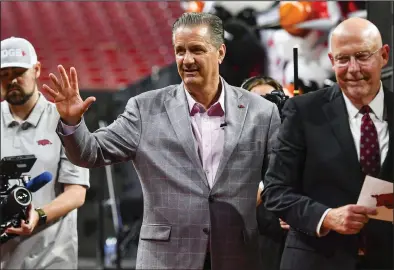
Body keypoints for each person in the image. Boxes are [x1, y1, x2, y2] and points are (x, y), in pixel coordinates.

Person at [43, 12, 280, 270]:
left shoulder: (261, 112)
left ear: (220, 52)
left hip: (238, 257)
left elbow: (281, 177)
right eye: (180, 51)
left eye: (197, 50)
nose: (187, 60)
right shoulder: (145, 109)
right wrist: (71, 123)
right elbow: (91, 153)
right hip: (166, 258)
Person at [262, 17, 393, 270]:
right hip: (317, 260)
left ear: (384, 56)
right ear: (332, 61)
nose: (353, 68)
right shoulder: (303, 111)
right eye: (343, 59)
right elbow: (275, 190)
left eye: (363, 56)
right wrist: (327, 217)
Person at [0, 37, 90, 269]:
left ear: (37, 69)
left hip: (51, 258)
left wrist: (38, 216)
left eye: (19, 72)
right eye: (4, 74)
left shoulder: (63, 119)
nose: (12, 80)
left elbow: (76, 193)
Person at [241, 75, 289, 270]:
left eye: (271, 99)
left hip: (291, 245)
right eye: (258, 101)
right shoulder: (230, 144)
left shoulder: (295, 141)